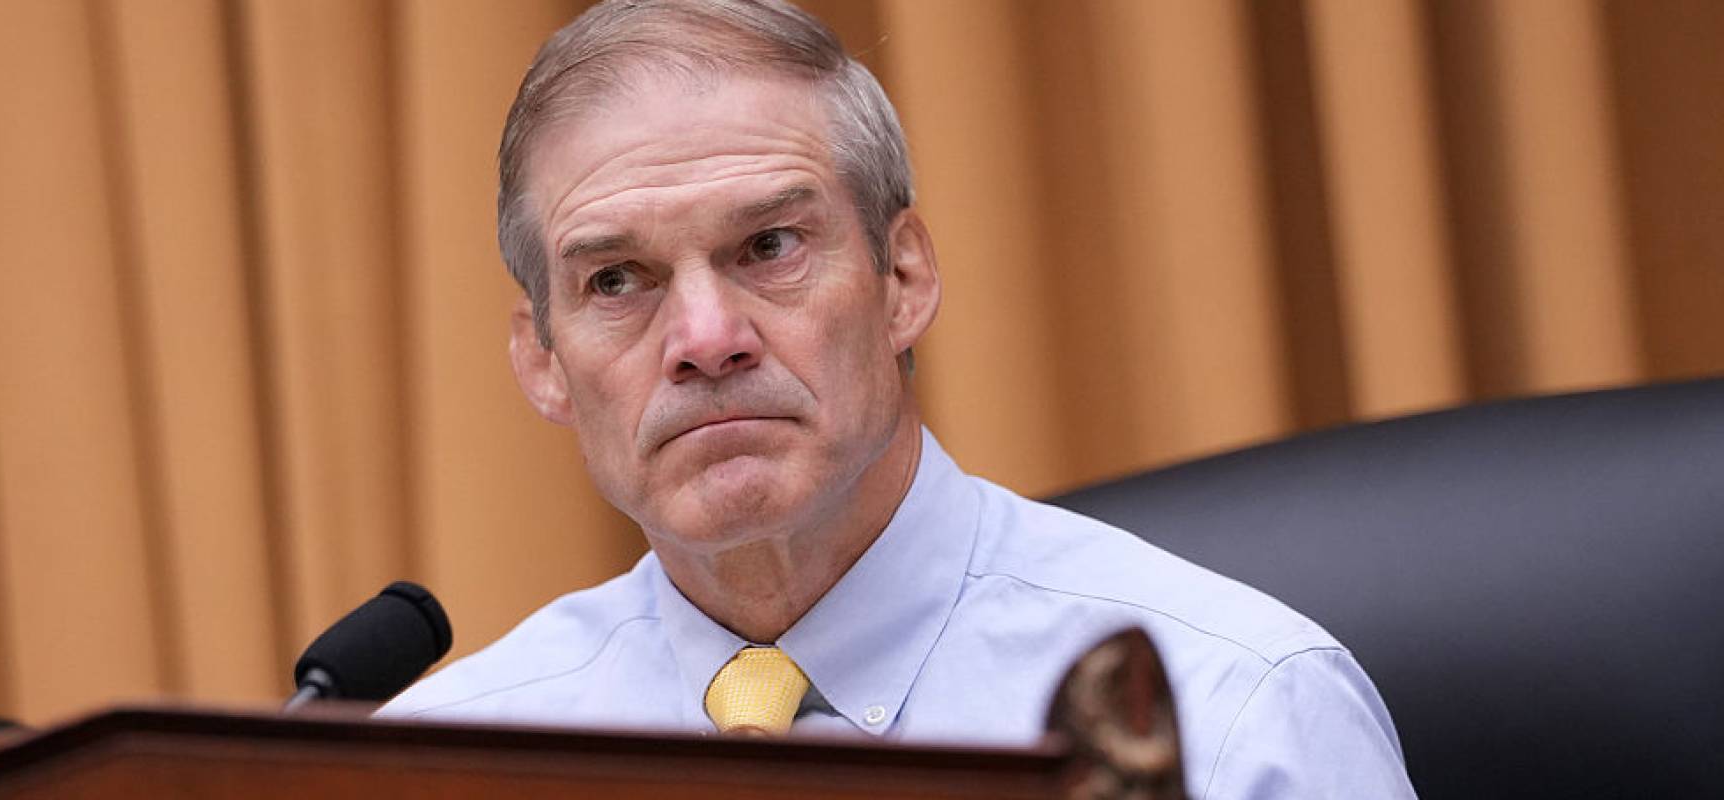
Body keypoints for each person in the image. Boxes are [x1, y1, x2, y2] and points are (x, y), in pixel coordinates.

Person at [381, 1, 1415, 796]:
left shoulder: (1241, 710)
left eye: (770, 246)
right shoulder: (438, 763)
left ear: (904, 277)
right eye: (616, 280)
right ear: (545, 362)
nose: (704, 340)